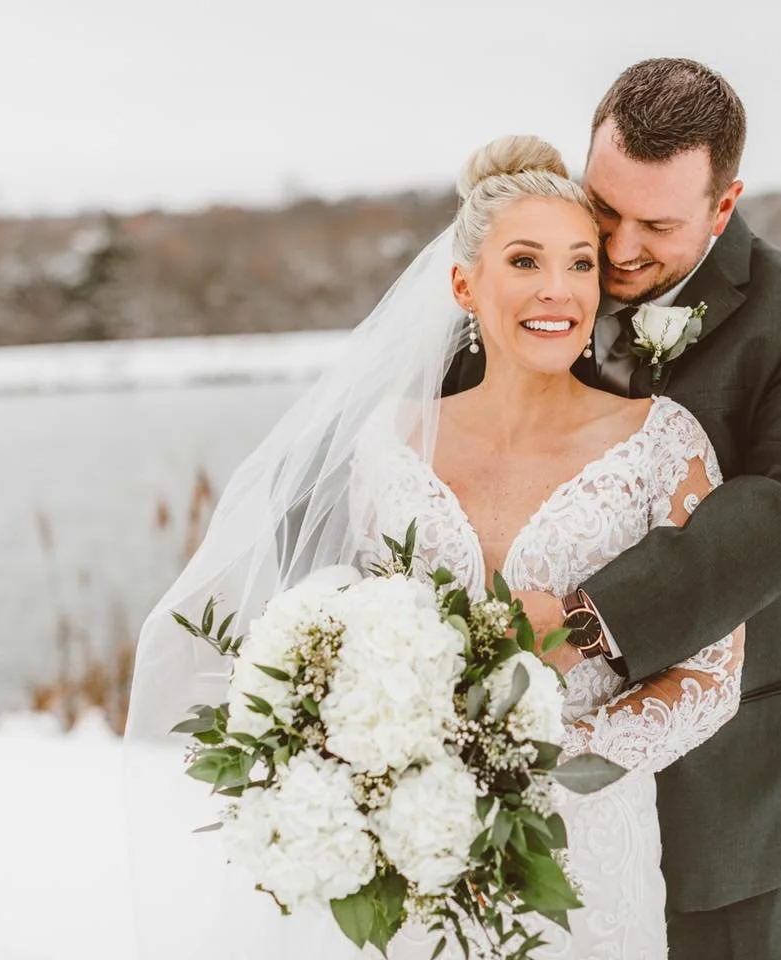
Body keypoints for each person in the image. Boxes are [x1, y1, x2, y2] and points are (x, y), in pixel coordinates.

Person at [125, 134, 746, 959]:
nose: (557, 289)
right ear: (463, 284)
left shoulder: (663, 443)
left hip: (589, 853)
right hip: (415, 852)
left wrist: (538, 762)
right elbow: (341, 631)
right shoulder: (387, 446)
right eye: (524, 262)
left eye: (580, 264)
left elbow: (711, 677)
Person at [444, 58, 781, 959]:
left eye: (659, 225)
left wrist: (588, 620)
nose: (620, 248)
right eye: (607, 211)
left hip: (736, 815)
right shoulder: (514, 299)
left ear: (724, 205)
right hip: (507, 824)